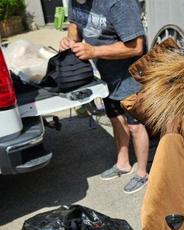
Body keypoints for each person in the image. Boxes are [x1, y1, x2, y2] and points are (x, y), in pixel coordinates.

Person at [60, 0, 149, 194]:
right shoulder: (75, 1)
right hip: (105, 73)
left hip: (131, 74)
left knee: (135, 125)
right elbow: (74, 26)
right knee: (115, 118)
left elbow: (136, 47)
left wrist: (94, 51)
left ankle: (142, 173)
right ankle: (123, 163)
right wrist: (70, 42)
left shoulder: (118, 3)